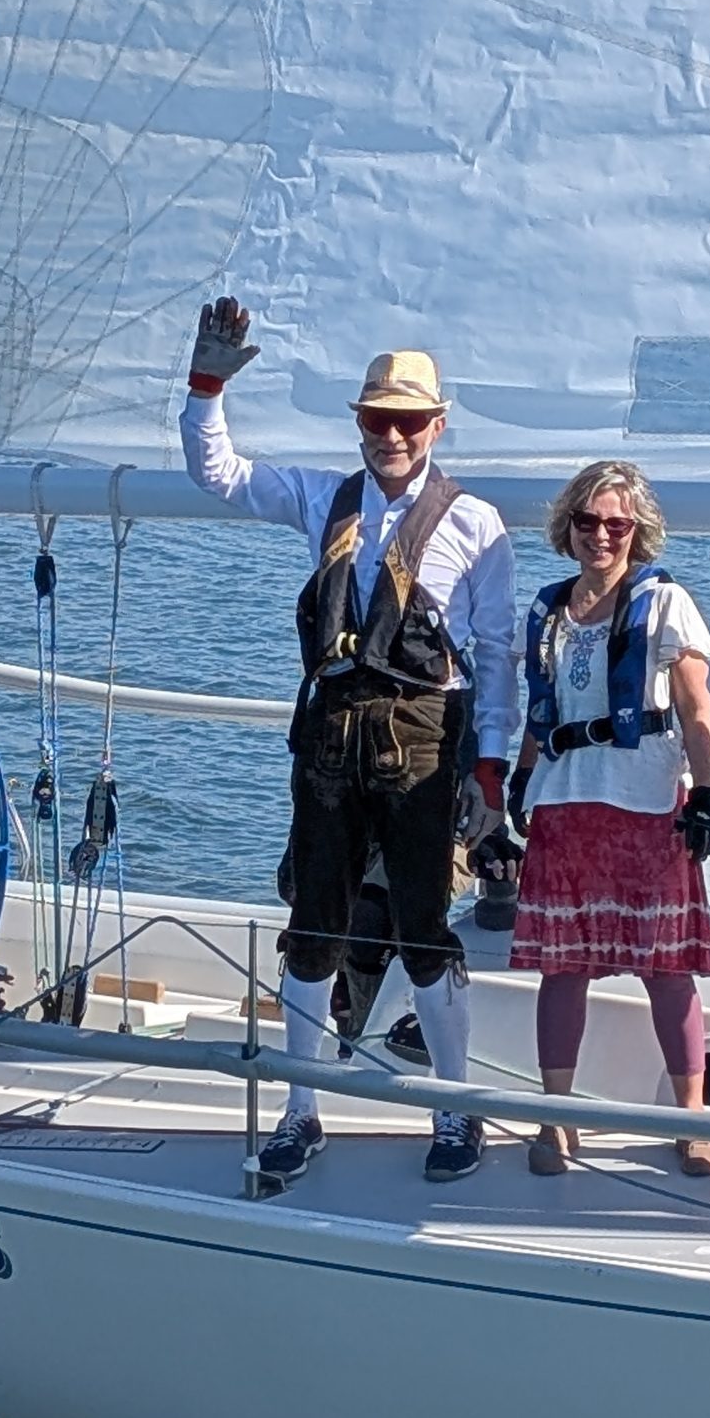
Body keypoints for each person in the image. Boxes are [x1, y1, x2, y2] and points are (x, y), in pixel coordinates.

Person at [180, 296, 518, 1186]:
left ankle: (455, 1108)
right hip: (330, 737)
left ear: (437, 424)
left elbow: (497, 654)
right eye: (377, 420)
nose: (391, 436)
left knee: (424, 929)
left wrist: (489, 768)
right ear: (360, 425)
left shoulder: (476, 525)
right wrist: (208, 385)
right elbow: (218, 473)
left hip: (424, 740)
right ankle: (301, 1108)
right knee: (313, 926)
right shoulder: (321, 499)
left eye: (408, 421)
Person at [507, 461, 710, 1178]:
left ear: (638, 531)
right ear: (567, 525)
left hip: (648, 804)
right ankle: (557, 1118)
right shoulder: (546, 611)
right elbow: (542, 709)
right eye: (588, 521)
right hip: (565, 805)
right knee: (561, 969)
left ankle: (690, 1121)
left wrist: (708, 792)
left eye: (617, 524)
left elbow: (695, 707)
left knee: (667, 968)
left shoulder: (666, 605)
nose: (601, 535)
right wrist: (521, 777)